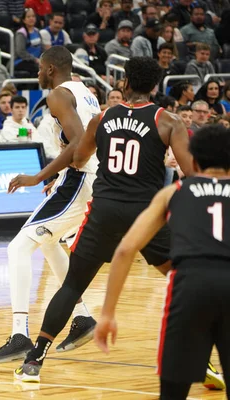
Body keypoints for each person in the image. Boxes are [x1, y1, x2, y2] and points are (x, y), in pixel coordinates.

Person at [11, 57, 217, 388]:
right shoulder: (168, 121)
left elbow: (79, 158)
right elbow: (192, 174)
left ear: (124, 83)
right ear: (154, 86)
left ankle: (34, 360)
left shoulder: (102, 118)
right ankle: (199, 356)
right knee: (181, 279)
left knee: (73, 286)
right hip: (146, 216)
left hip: (104, 211)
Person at [0, 46, 100, 364]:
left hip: (80, 178)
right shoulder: (86, 92)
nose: (36, 75)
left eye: (38, 69)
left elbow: (77, 144)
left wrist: (39, 176)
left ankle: (20, 333)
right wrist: (57, 176)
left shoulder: (58, 95)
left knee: (17, 249)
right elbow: (85, 140)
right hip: (84, 179)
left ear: (49, 69)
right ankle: (82, 316)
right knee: (48, 245)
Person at [95, 125, 230, 398]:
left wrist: (107, 313)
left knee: (173, 392)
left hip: (190, 284)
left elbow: (125, 250)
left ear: (192, 160)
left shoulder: (173, 192)